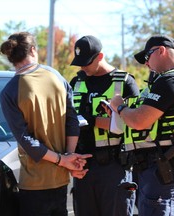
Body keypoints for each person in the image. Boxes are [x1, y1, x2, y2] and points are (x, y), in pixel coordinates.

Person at [110, 35, 174, 216]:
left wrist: (119, 107)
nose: (146, 64)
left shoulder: (171, 81)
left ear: (161, 50)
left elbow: (140, 120)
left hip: (164, 167)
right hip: (164, 166)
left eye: (147, 57)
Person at [0, 32, 91, 216]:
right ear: (33, 50)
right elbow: (72, 121)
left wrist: (62, 160)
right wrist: (68, 158)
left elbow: (26, 140)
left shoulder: (9, 91)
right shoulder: (56, 76)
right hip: (60, 180)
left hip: (33, 183)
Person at [69, 35, 140, 216]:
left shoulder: (125, 82)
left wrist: (91, 121)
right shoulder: (75, 83)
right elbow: (67, 122)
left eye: (86, 62)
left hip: (115, 166)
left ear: (100, 57)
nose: (82, 67)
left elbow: (134, 124)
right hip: (84, 165)